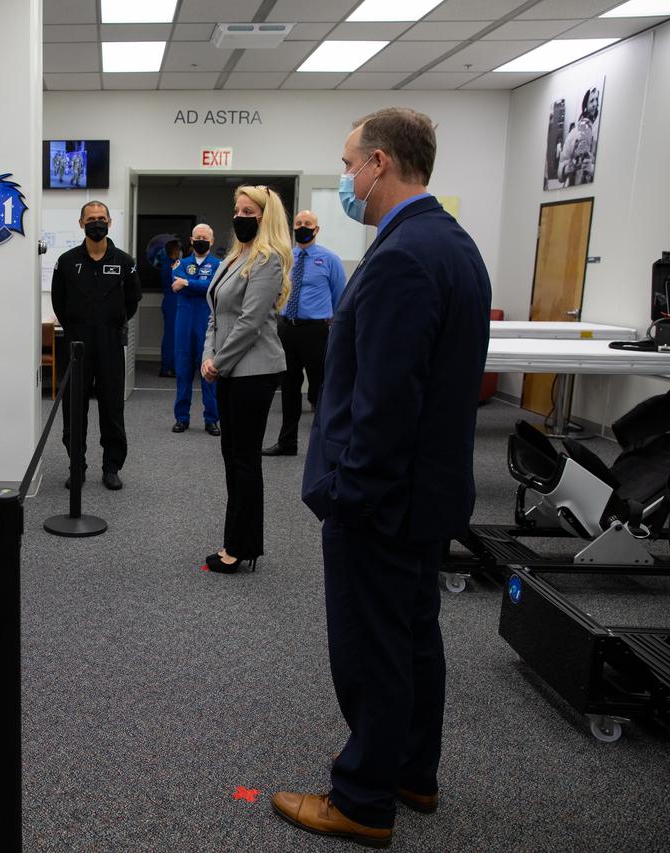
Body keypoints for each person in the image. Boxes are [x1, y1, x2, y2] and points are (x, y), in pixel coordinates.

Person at [272, 108, 491, 848]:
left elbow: (387, 401)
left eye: (347, 163)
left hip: (383, 499)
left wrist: (351, 499)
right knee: (415, 636)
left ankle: (363, 796)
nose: (343, 179)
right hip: (428, 494)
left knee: (374, 648)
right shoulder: (451, 244)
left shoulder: (400, 257)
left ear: (379, 163)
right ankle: (411, 770)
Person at [200, 188, 289, 573]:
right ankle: (236, 540)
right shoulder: (234, 255)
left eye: (248, 210)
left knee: (244, 461)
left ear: (265, 216)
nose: (239, 216)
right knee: (232, 459)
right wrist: (208, 355)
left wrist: (217, 363)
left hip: (254, 371)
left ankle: (241, 547)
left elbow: (250, 323)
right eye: (236, 209)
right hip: (228, 369)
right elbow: (216, 315)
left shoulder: (267, 260)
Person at [50, 200, 141, 491]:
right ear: (81, 224)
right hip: (76, 345)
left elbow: (132, 301)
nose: (96, 223)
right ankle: (77, 466)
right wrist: (78, 326)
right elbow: (58, 302)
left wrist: (110, 323)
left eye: (102, 218)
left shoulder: (125, 262)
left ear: (110, 223)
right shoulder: (66, 261)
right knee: (74, 411)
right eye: (91, 218)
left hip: (110, 343)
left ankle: (111, 467)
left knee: (112, 409)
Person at [263, 210, 346, 456]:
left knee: (320, 388)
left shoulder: (329, 259)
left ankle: (325, 445)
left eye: (307, 224)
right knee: (289, 388)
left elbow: (339, 295)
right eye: (298, 223)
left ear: (316, 229)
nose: (302, 227)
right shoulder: (285, 258)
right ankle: (287, 443)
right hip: (287, 328)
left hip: (315, 331)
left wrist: (330, 320)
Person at [173, 223, 221, 435]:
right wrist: (192, 284)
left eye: (205, 237)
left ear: (211, 241)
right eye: (197, 237)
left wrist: (188, 284)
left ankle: (211, 419)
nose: (201, 240)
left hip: (207, 325)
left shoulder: (219, 265)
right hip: (183, 325)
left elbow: (213, 289)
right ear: (191, 240)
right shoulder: (180, 264)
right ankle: (181, 418)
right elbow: (174, 284)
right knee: (183, 372)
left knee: (209, 373)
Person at [156, 236, 181, 378]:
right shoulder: (170, 265)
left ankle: (172, 366)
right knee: (171, 336)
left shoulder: (170, 263)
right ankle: (166, 367)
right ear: (175, 250)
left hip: (173, 301)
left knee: (175, 335)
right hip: (172, 301)